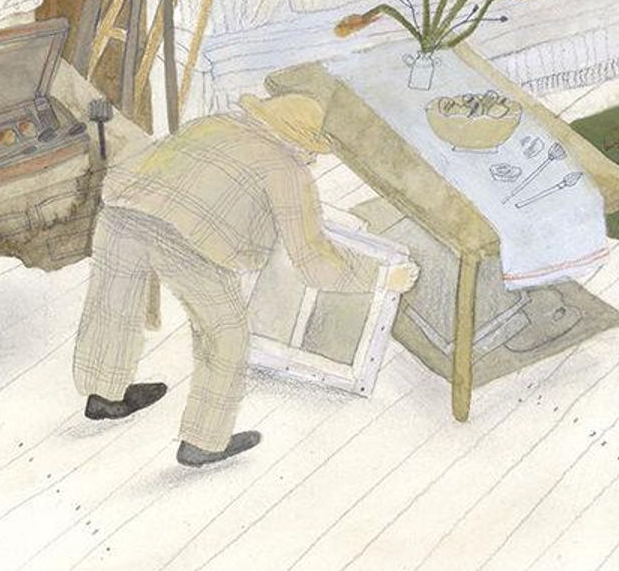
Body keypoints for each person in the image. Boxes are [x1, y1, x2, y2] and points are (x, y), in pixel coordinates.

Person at [72, 92, 418, 467]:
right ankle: (204, 441)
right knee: (226, 334)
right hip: (189, 241)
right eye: (310, 149)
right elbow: (312, 260)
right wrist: (380, 277)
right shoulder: (287, 169)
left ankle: (103, 394)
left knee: (113, 306)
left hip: (121, 212)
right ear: (295, 139)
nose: (313, 159)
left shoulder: (214, 124)